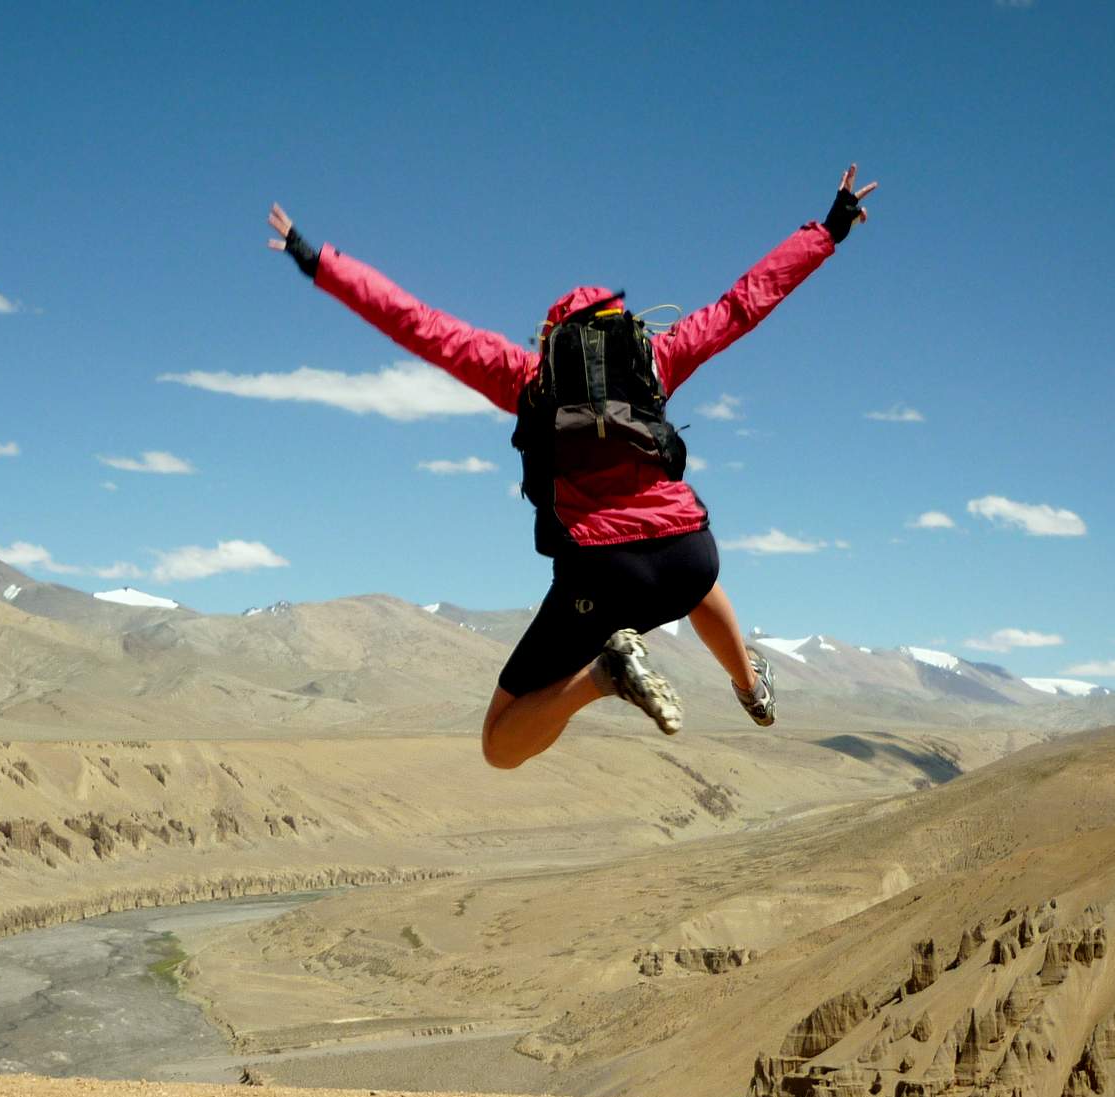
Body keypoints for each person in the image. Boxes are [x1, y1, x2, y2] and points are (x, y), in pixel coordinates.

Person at [266, 166, 878, 769]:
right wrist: (828, 230)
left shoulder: (526, 380)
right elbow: (743, 303)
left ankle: (603, 676)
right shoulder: (656, 363)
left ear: (553, 338)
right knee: (691, 571)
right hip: (691, 555)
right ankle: (751, 688)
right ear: (619, 334)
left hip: (603, 575)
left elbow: (418, 324)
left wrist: (319, 261)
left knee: (499, 744)